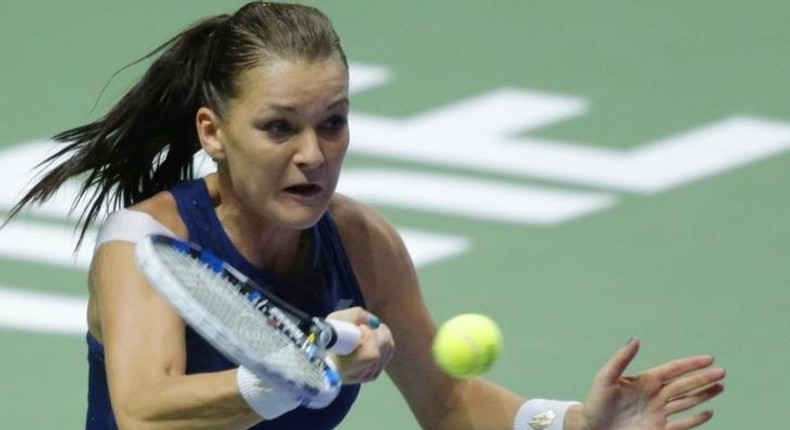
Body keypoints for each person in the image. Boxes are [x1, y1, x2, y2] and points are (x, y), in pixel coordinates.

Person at [7, 2, 725, 429]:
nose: (313, 155)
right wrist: (293, 367)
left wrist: (570, 423)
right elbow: (142, 413)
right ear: (212, 132)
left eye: (333, 123)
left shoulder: (360, 241)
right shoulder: (149, 245)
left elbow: (446, 402)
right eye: (280, 127)